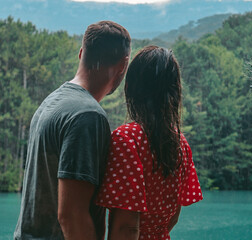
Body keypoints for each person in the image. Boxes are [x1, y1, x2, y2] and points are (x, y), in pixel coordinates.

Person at [14, 21, 131, 240]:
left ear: (81, 53)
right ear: (123, 65)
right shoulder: (87, 115)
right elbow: (71, 216)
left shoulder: (52, 102)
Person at [96, 46, 203, 240]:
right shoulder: (180, 143)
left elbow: (126, 228)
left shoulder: (127, 139)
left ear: (130, 88)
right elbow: (173, 218)